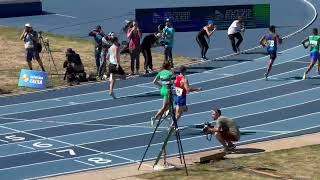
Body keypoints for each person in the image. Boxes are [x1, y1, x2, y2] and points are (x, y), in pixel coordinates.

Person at [150, 61, 174, 127]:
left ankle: (165, 116)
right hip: (168, 90)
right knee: (164, 107)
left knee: (169, 106)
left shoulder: (161, 72)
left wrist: (161, 86)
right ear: (168, 66)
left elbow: (154, 82)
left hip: (163, 90)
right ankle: (155, 117)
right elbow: (172, 82)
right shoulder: (170, 73)